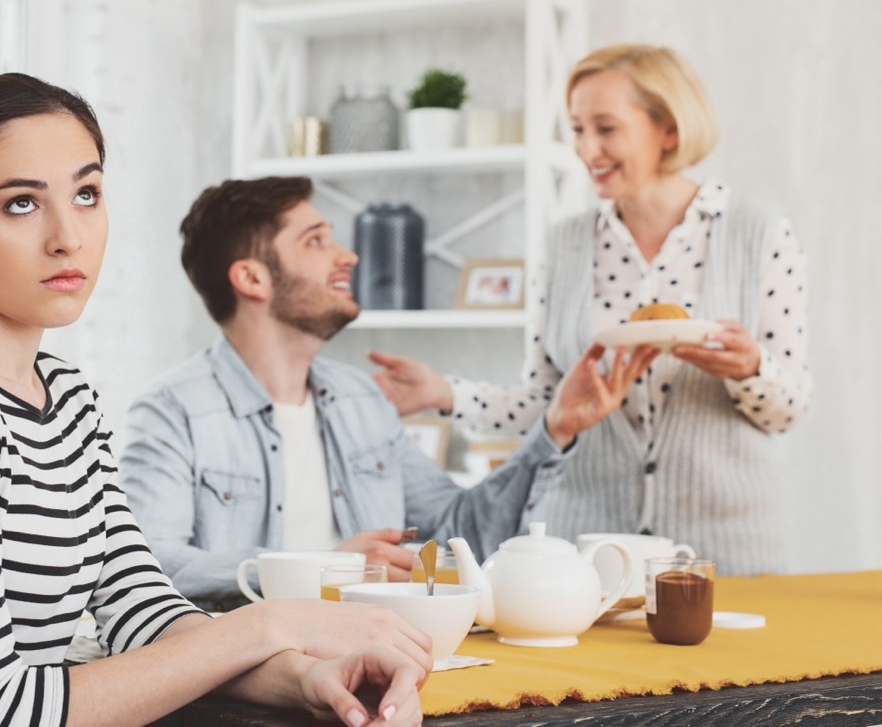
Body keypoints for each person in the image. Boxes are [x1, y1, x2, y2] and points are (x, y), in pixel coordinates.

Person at [0, 73, 437, 727]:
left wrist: (304, 678)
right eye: (22, 204)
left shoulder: (65, 397)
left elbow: (138, 607)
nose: (69, 236)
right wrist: (274, 621)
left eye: (86, 193)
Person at [370, 44, 812, 576]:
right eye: (577, 129)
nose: (586, 148)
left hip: (726, 555)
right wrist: (444, 393)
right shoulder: (565, 246)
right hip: (590, 560)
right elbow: (548, 405)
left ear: (667, 130)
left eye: (605, 128)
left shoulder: (757, 231)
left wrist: (748, 369)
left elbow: (788, 407)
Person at [118, 175, 656, 608]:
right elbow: (148, 567)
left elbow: (455, 534)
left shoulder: (360, 400)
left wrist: (555, 429)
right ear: (252, 279)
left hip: (382, 653)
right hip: (253, 681)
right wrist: (327, 570)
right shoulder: (172, 412)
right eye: (316, 241)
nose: (348, 256)